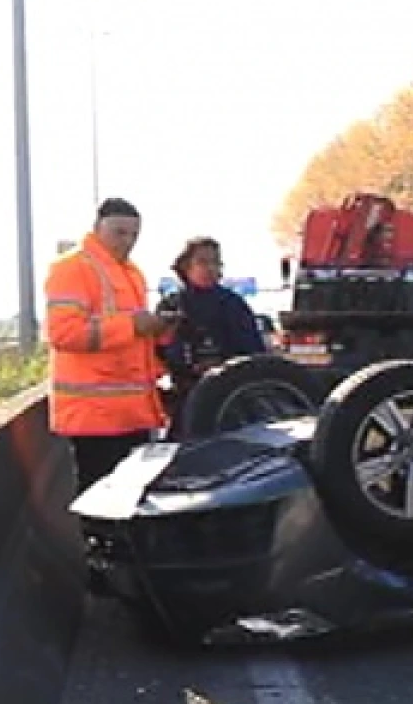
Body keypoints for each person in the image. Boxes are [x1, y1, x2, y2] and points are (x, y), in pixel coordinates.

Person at [44, 197, 176, 492]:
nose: (127, 241)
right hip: (95, 417)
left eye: (134, 235)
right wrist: (132, 325)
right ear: (97, 228)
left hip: (131, 414)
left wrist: (157, 331)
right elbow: (63, 333)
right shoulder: (72, 268)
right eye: (119, 232)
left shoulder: (131, 273)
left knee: (131, 501)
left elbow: (131, 342)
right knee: (102, 501)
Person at [157, 236, 267, 420]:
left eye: (216, 263)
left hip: (229, 396)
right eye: (202, 262)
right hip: (186, 394)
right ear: (186, 266)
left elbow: (254, 352)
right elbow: (159, 351)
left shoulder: (233, 304)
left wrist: (223, 365)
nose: (210, 268)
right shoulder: (172, 305)